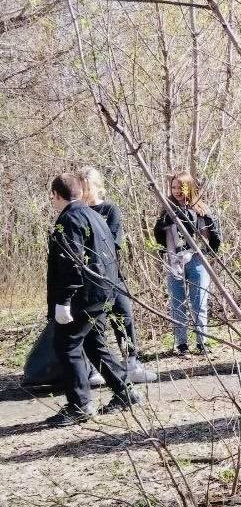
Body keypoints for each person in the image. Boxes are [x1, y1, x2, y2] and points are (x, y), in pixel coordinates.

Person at [44, 173, 143, 425]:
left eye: (52, 196)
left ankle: (80, 405)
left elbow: (71, 263)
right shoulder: (95, 216)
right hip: (102, 292)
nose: (52, 200)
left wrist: (64, 300)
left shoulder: (69, 220)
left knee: (67, 346)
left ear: (57, 194)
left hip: (82, 296)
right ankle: (125, 392)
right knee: (94, 343)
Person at [77, 167, 157, 384]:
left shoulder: (110, 209)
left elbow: (113, 243)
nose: (85, 192)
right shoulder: (77, 213)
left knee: (124, 315)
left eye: (88, 187)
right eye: (81, 188)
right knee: (94, 324)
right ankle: (96, 368)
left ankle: (131, 362)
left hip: (112, 276)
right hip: (87, 280)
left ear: (96, 186)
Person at [153, 171, 222, 356]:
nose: (176, 191)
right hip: (175, 261)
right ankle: (182, 345)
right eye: (173, 187)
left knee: (199, 302)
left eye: (180, 187)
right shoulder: (167, 210)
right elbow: (158, 237)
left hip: (197, 260)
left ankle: (202, 343)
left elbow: (215, 237)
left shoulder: (201, 210)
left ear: (189, 187)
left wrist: (209, 252)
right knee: (177, 304)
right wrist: (163, 224)